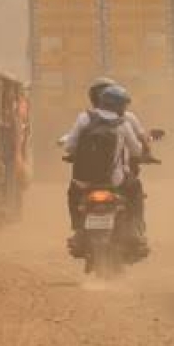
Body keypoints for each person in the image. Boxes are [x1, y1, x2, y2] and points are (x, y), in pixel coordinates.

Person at [62, 85, 143, 257]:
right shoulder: (123, 124)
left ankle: (77, 229)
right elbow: (136, 151)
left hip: (84, 182)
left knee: (72, 193)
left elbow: (69, 146)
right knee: (135, 187)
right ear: (120, 106)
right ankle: (135, 229)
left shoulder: (84, 118)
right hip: (114, 180)